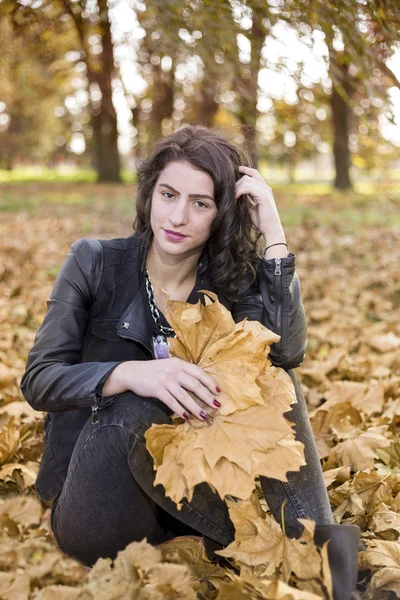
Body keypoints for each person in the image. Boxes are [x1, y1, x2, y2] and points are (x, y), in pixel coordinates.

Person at [21, 125, 360, 599]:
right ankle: (292, 555)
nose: (177, 216)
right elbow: (39, 380)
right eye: (168, 194)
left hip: (191, 499)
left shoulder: (230, 281)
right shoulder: (94, 262)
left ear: (221, 215)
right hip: (97, 501)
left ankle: (333, 573)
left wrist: (275, 236)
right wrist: (129, 373)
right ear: (149, 195)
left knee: (272, 377)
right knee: (136, 402)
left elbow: (285, 354)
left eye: (200, 203)